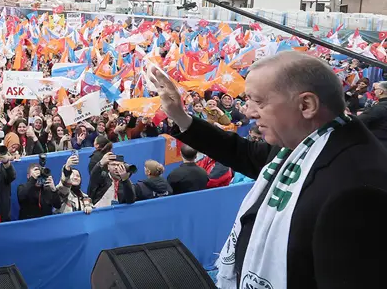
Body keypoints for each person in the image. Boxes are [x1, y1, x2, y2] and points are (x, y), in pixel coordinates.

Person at [149, 52, 387, 289]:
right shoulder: (302, 143)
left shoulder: (357, 190)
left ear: (306, 105)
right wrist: (180, 116)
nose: (249, 112)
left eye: (259, 102)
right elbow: (243, 153)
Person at [359, 80, 387, 145]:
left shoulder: (380, 107)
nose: (374, 91)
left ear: (381, 91)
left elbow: (359, 120)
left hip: (378, 143)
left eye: (375, 89)